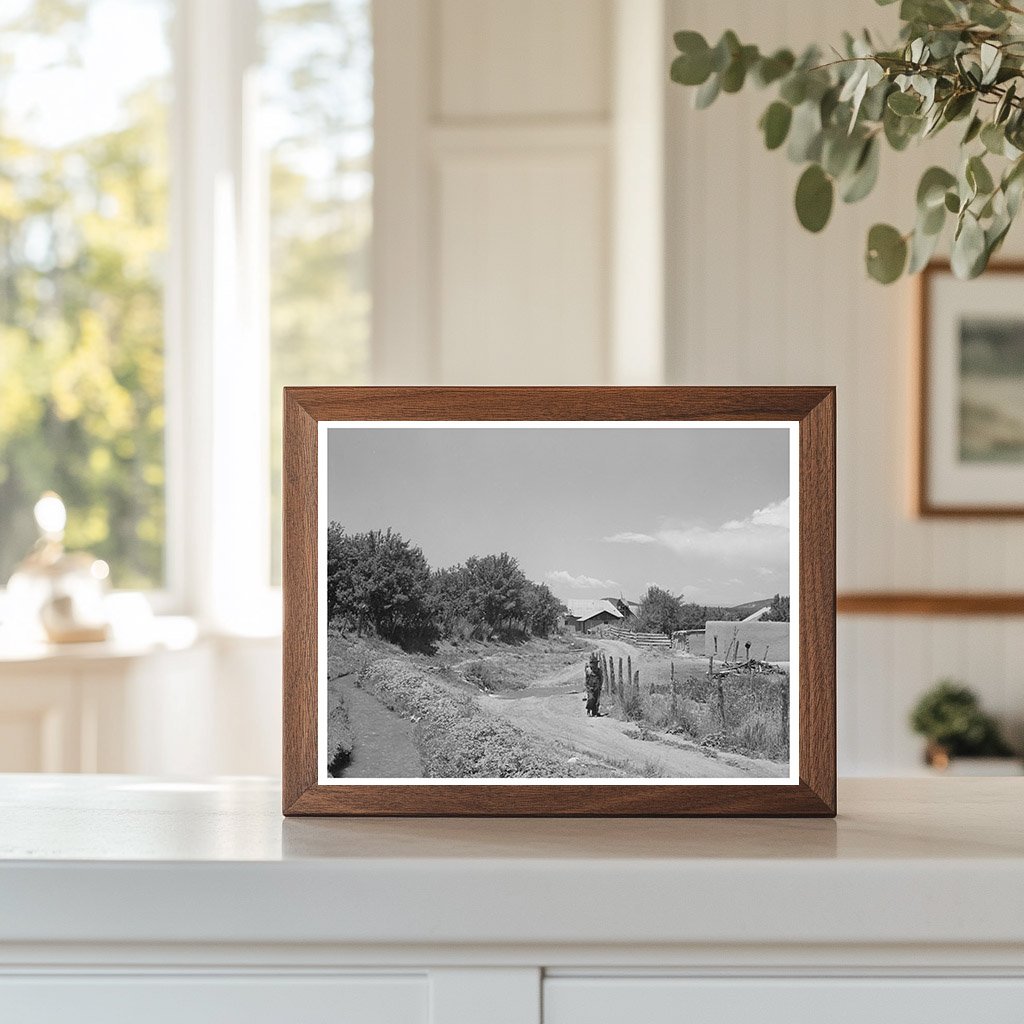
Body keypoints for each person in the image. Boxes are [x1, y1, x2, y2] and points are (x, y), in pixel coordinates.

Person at [584, 652, 603, 717]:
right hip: (590, 686)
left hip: (597, 686)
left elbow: (601, 678)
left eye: (595, 663)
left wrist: (600, 686)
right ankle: (588, 710)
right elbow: (586, 679)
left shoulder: (599, 670)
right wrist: (587, 686)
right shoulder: (588, 670)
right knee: (591, 698)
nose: (594, 665)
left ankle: (595, 712)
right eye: (593, 663)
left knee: (596, 700)